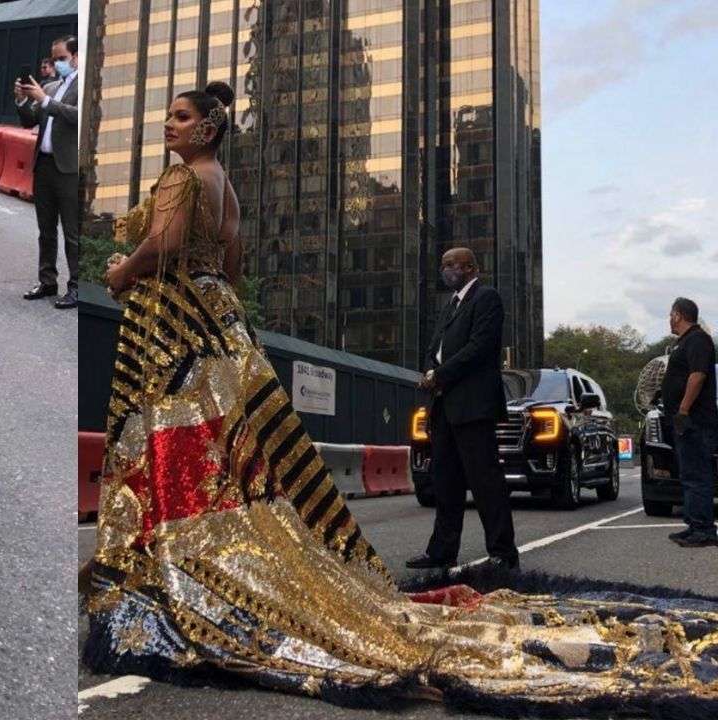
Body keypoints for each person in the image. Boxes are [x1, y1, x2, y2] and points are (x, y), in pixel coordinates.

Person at [85, 83, 718, 715]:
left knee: (190, 441)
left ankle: (495, 551)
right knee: (257, 447)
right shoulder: (226, 186)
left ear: (208, 128)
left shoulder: (184, 181)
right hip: (226, 323)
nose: (169, 125)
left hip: (187, 326)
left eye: (181, 116)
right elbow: (233, 262)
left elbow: (163, 247)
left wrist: (122, 270)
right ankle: (441, 550)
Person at [404, 247, 519, 571]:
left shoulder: (487, 299)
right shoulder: (450, 305)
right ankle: (442, 550)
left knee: (485, 482)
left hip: (473, 405)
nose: (444, 271)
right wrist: (432, 372)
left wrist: (440, 375)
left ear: (469, 267)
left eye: (449, 265)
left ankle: (503, 554)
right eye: (443, 265)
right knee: (445, 481)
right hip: (445, 405)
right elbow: (436, 349)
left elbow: (479, 348)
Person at [14, 36, 80, 310]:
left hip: (69, 168)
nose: (57, 64)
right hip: (44, 164)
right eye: (54, 59)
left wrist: (45, 101)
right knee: (46, 229)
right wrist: (21, 100)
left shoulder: (84, 85)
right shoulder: (51, 85)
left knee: (73, 233)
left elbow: (78, 116)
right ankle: (47, 280)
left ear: (76, 57)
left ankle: (77, 287)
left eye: (61, 58)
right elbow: (30, 120)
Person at [661, 297, 718, 547]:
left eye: (671, 314)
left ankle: (704, 530)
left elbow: (698, 375)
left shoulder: (697, 340)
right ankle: (694, 524)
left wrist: (683, 410)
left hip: (695, 421)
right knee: (689, 474)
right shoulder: (683, 342)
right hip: (685, 421)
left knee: (697, 475)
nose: (669, 320)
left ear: (679, 315)